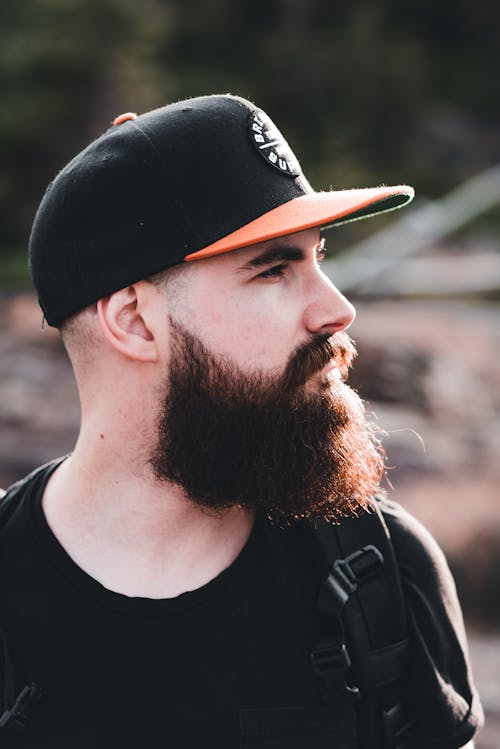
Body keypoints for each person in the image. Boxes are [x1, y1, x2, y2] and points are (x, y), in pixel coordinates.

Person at [0, 94, 482, 748]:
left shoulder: (384, 575)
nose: (336, 309)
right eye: (274, 270)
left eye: (320, 258)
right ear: (135, 321)